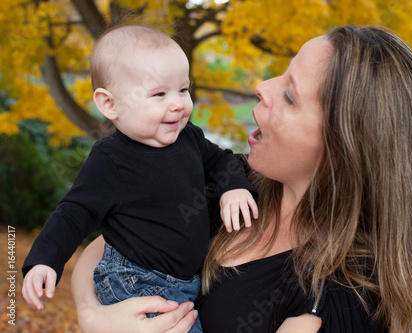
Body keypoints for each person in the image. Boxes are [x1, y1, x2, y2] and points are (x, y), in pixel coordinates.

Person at [71, 25, 412, 332]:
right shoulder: (233, 186)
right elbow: (109, 247)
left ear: (343, 147)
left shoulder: (342, 298)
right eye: (282, 74)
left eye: (291, 96)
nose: (262, 88)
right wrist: (93, 317)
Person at [21, 24, 259, 333]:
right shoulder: (111, 160)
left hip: (187, 282)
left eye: (183, 89)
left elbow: (223, 159)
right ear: (110, 104)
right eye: (159, 93)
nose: (177, 103)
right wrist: (44, 260)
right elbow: (74, 213)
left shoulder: (190, 138)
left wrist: (234, 188)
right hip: (136, 281)